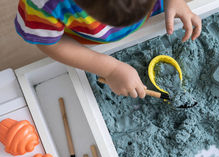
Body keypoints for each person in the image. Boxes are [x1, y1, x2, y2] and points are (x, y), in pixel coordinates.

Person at [15, 0, 201, 98]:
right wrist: (109, 68)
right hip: (88, 37)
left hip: (156, 14)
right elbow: (48, 42)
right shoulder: (44, 5)